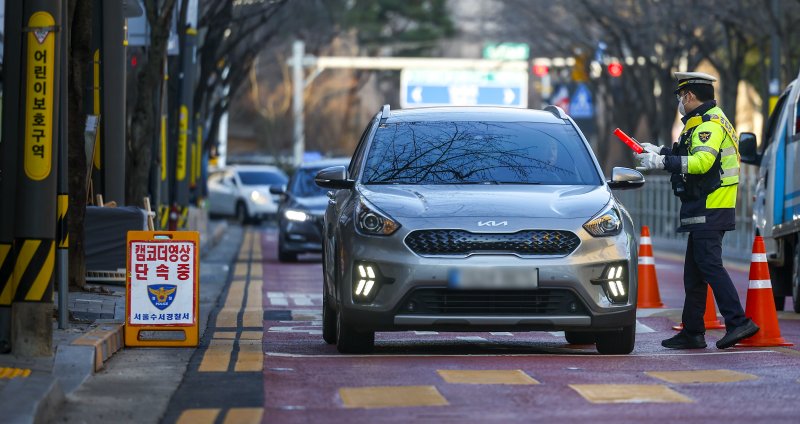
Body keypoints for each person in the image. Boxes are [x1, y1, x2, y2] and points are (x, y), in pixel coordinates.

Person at [634, 71, 759, 349]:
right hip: (706, 205)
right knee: (695, 273)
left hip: (710, 206)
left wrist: (661, 163)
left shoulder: (709, 125)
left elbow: (701, 162)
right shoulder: (704, 122)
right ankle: (693, 331)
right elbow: (690, 154)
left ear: (689, 96)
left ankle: (738, 322)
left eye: (681, 96)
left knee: (710, 266)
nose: (680, 100)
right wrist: (660, 151)